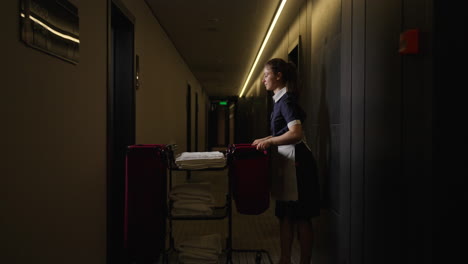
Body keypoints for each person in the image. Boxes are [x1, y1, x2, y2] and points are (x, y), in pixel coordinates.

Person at [252, 58, 320, 264]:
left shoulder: (287, 100)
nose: (264, 80)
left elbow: (296, 133)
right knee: (285, 215)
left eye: (266, 75)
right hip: (288, 164)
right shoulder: (279, 100)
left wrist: (270, 141)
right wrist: (266, 139)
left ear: (278, 76)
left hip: (298, 165)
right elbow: (283, 131)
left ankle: (303, 261)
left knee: (301, 216)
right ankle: (284, 259)